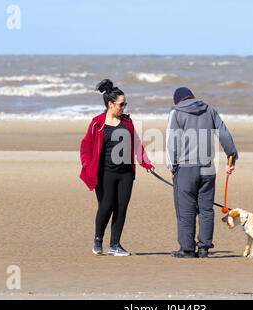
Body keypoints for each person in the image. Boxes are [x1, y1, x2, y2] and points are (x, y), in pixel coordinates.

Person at [80, 79, 154, 256]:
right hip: (104, 173)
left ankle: (115, 245)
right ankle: (98, 239)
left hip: (125, 174)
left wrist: (145, 162)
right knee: (106, 206)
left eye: (125, 104)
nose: (124, 107)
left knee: (121, 208)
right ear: (110, 104)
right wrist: (88, 165)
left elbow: (136, 144)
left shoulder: (127, 122)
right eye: (122, 104)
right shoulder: (97, 124)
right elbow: (86, 147)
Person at [166, 87, 238, 258]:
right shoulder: (209, 110)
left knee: (186, 210)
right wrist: (231, 156)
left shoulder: (176, 112)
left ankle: (187, 249)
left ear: (178, 101)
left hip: (186, 167)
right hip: (208, 168)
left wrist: (172, 166)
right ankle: (204, 248)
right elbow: (224, 134)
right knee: (206, 209)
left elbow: (172, 142)